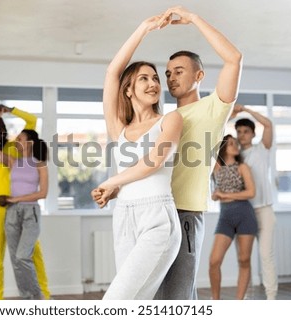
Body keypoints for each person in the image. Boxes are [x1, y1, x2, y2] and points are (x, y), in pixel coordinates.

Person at [91, 14, 183, 300]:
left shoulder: (171, 119)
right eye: (144, 78)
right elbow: (111, 73)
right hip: (124, 217)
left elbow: (153, 161)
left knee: (116, 301)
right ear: (128, 89)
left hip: (158, 218)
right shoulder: (119, 127)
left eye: (155, 78)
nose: (153, 83)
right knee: (135, 304)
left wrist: (112, 181)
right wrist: (143, 29)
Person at [154, 6, 243, 300]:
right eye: (167, 73)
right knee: (159, 295)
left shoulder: (213, 108)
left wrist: (192, 19)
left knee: (178, 297)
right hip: (158, 210)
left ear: (199, 75)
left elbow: (234, 59)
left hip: (187, 212)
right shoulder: (165, 119)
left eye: (179, 71)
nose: (171, 77)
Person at [0, 105, 51, 300]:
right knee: (0, 259)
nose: (2, 131)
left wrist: (10, 110)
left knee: (31, 255)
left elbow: (31, 124)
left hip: (25, 208)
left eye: (3, 128)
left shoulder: (16, 150)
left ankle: (43, 296)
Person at [233, 104, 278, 300]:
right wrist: (232, 114)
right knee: (244, 258)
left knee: (266, 256)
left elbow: (268, 125)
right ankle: (246, 298)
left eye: (246, 131)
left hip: (265, 211)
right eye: (239, 132)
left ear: (252, 134)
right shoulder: (234, 156)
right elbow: (214, 135)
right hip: (244, 212)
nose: (242, 135)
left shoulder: (262, 149)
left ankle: (271, 299)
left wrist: (246, 111)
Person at [209, 134, 257, 299]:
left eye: (236, 143)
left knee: (244, 260)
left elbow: (251, 192)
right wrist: (216, 195)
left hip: (245, 215)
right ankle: (215, 301)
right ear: (223, 147)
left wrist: (225, 194)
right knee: (214, 261)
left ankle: (239, 301)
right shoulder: (215, 167)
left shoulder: (242, 167)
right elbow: (214, 194)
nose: (235, 145)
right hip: (226, 217)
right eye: (230, 143)